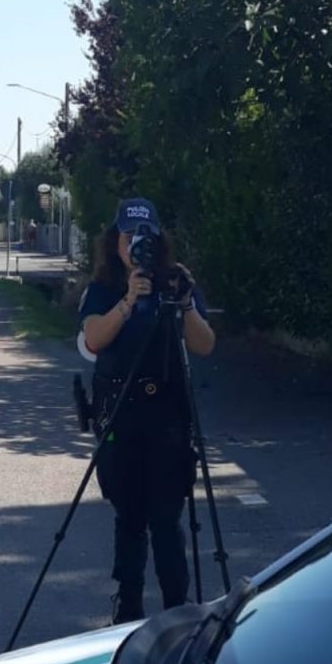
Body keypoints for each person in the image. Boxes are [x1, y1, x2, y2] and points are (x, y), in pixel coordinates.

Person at [79, 197, 215, 624]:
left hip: (168, 417)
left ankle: (177, 606)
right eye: (128, 236)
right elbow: (94, 340)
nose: (136, 243)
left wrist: (186, 303)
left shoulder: (175, 283)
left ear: (157, 240)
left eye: (145, 235)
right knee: (129, 514)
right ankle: (129, 603)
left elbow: (205, 344)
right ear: (114, 242)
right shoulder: (101, 288)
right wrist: (127, 300)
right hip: (120, 412)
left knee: (166, 515)